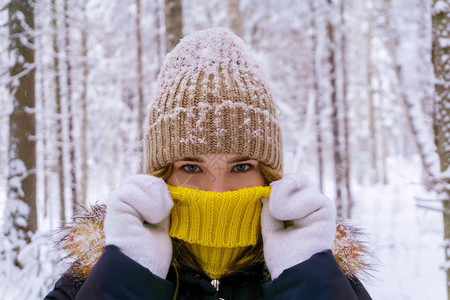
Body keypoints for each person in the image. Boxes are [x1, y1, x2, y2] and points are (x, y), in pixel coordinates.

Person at [45, 28, 372, 300]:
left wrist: (307, 279)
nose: (218, 191)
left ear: (269, 174)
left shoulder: (318, 271)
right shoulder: (99, 275)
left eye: (241, 167)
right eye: (191, 167)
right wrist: (128, 277)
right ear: (161, 175)